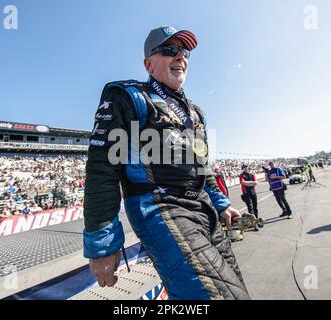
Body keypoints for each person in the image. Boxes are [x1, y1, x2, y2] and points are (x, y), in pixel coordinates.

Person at [83, 25, 250, 300]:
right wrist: (102, 244)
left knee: (236, 289)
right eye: (170, 50)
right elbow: (102, 169)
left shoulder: (196, 113)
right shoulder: (126, 95)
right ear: (148, 63)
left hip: (202, 207)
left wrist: (222, 204)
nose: (180, 57)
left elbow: (203, 168)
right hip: (161, 207)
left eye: (184, 52)